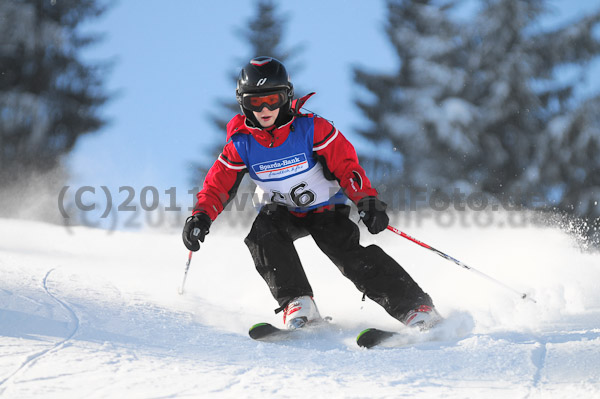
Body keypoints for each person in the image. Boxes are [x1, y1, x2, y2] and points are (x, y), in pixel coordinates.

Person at [183, 56, 440, 330]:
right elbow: (217, 185)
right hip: (281, 212)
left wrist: (366, 200)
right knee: (262, 237)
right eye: (255, 102)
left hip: (325, 208)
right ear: (243, 103)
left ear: (287, 96)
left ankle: (416, 307)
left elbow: (347, 166)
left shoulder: (311, 129)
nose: (266, 108)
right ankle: (298, 303)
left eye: (274, 98)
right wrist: (200, 217)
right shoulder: (241, 144)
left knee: (347, 255)